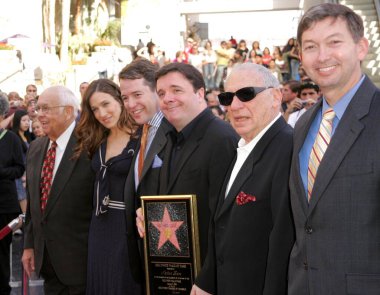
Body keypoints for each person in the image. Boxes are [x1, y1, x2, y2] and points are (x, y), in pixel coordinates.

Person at [288, 3, 379, 294]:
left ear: (361, 47)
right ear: (301, 56)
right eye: (311, 46)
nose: (322, 56)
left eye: (334, 42)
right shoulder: (302, 126)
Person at [192, 63, 295, 294]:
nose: (235, 106)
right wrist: (207, 281)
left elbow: (284, 245)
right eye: (228, 97)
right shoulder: (241, 146)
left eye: (247, 94)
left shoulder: (287, 149)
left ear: (276, 97)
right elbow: (222, 225)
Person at [136, 63, 239, 266]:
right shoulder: (170, 138)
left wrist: (208, 280)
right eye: (162, 93)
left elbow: (227, 222)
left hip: (208, 272)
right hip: (177, 268)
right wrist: (148, 213)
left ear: (200, 93)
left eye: (176, 90)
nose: (167, 98)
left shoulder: (222, 138)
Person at [22, 86, 95, 294]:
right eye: (38, 108)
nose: (39, 115)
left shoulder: (91, 146)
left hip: (82, 266)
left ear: (69, 112)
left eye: (46, 108)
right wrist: (29, 245)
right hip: (47, 264)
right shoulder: (36, 148)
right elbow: (33, 204)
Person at [74, 79, 141, 294]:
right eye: (95, 109)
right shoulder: (98, 139)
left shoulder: (143, 137)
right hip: (99, 226)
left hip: (127, 228)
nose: (101, 113)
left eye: (106, 104)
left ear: (120, 100)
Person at [119, 58, 171, 285]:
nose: (130, 104)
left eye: (137, 95)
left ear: (157, 91)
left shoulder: (173, 130)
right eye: (125, 98)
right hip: (144, 253)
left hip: (169, 252)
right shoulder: (142, 131)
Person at [0, 93, 24, 295]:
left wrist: (1, 172)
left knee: (1, 255)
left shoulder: (11, 139)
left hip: (4, 205)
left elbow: (19, 168)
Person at [11, 110, 32, 214]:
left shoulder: (28, 137)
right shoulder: (13, 137)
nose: (27, 123)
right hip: (20, 177)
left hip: (29, 175)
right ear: (17, 121)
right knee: (25, 211)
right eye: (24, 120)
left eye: (28, 120)